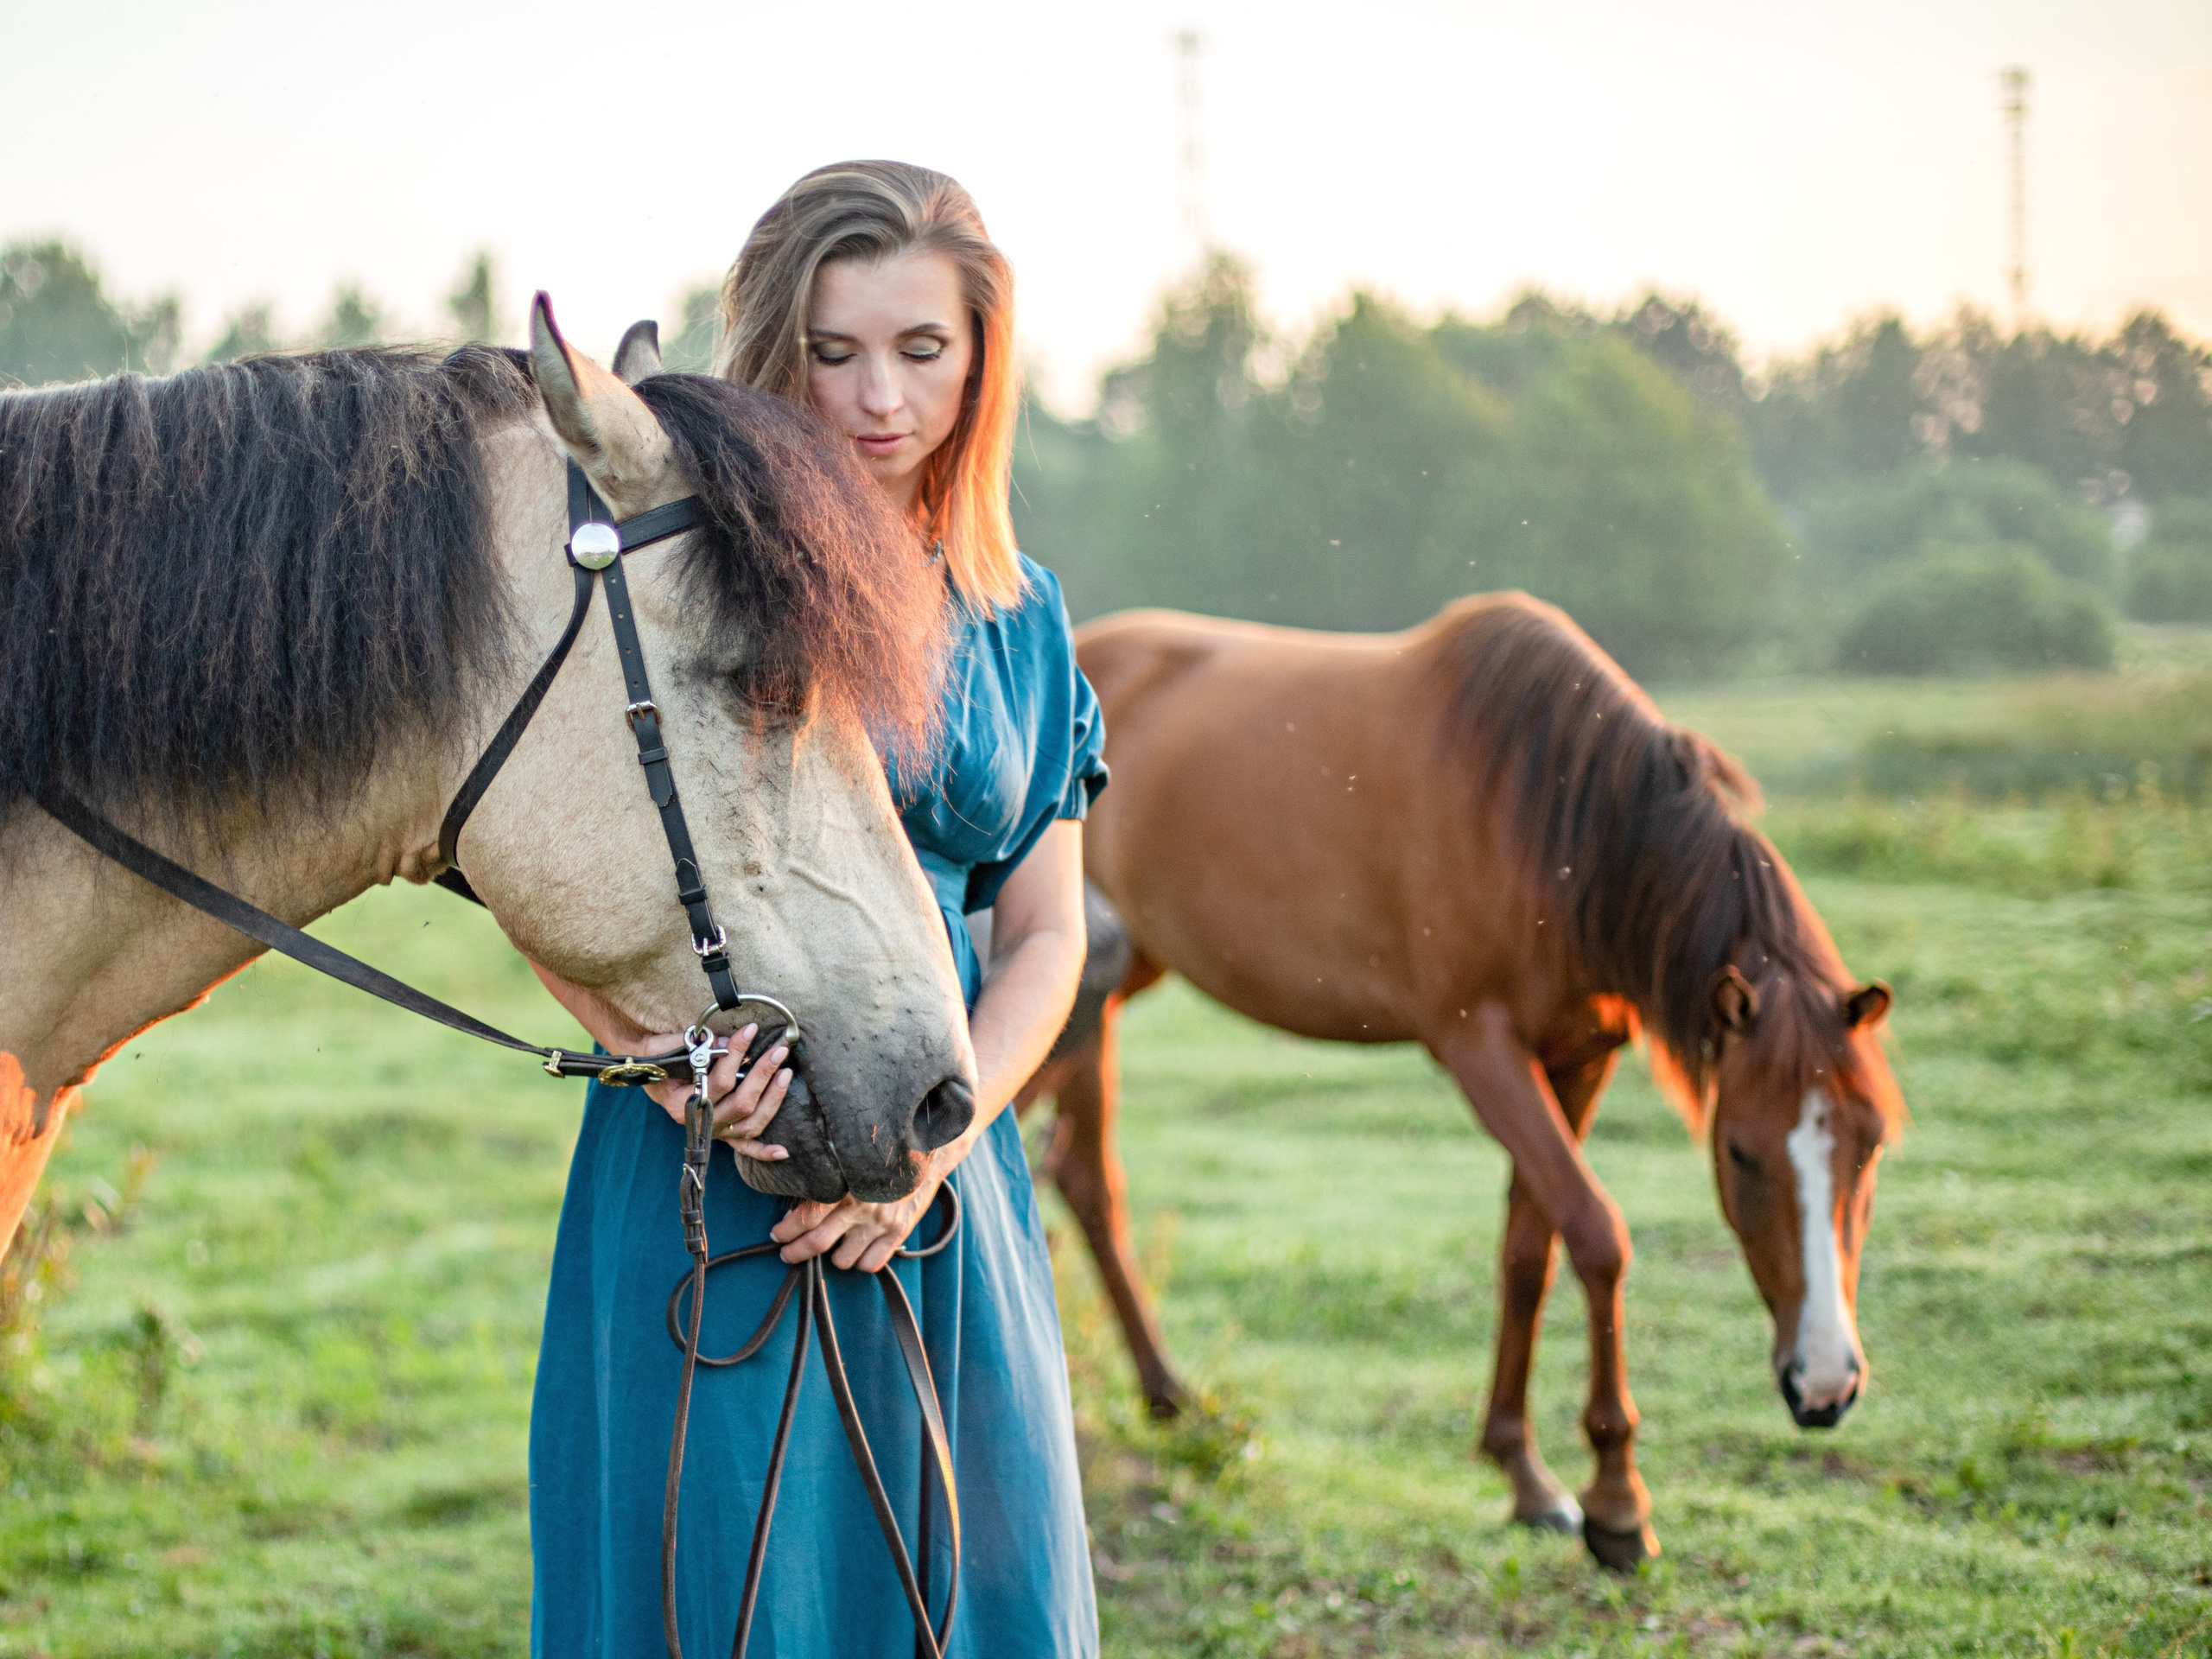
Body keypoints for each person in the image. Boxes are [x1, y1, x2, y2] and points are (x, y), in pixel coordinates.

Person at [525, 161, 1105, 1659]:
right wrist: (671, 1076)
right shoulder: (685, 582)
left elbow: (1042, 934)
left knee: (973, 1602)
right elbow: (542, 876)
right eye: (834, 352)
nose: (879, 398)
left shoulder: (1020, 613)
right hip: (712, 1173)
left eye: (923, 350)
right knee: (715, 1597)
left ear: (982, 356)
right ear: (778, 356)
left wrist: (938, 1148)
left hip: (937, 1182)